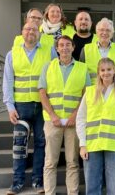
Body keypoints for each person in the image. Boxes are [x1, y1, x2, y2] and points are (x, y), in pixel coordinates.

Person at [3, 22, 57, 194]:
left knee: (41, 143)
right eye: (27, 29)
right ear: (22, 33)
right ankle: (17, 182)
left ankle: (37, 181)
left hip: (43, 106)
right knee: (19, 145)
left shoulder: (49, 51)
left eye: (34, 29)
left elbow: (55, 76)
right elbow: (8, 81)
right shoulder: (12, 54)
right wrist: (9, 106)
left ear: (38, 33)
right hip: (21, 107)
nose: (31, 32)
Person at [38, 35, 91, 195]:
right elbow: (42, 93)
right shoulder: (48, 67)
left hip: (73, 122)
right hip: (52, 121)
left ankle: (72, 193)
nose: (65, 48)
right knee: (50, 162)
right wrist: (53, 115)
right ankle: (49, 192)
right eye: (61, 45)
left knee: (73, 162)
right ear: (57, 48)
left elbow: (86, 95)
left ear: (73, 47)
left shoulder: (82, 68)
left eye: (68, 45)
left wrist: (75, 115)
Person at [76, 58, 115, 195]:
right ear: (98, 73)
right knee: (92, 189)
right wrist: (82, 144)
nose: (106, 73)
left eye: (109, 69)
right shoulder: (89, 92)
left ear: (114, 71)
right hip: (92, 146)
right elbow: (81, 118)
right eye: (102, 70)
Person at [80, 18, 115, 86]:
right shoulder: (85, 50)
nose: (104, 33)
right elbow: (81, 75)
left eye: (108, 30)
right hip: (94, 92)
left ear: (112, 33)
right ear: (97, 32)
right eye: (101, 30)